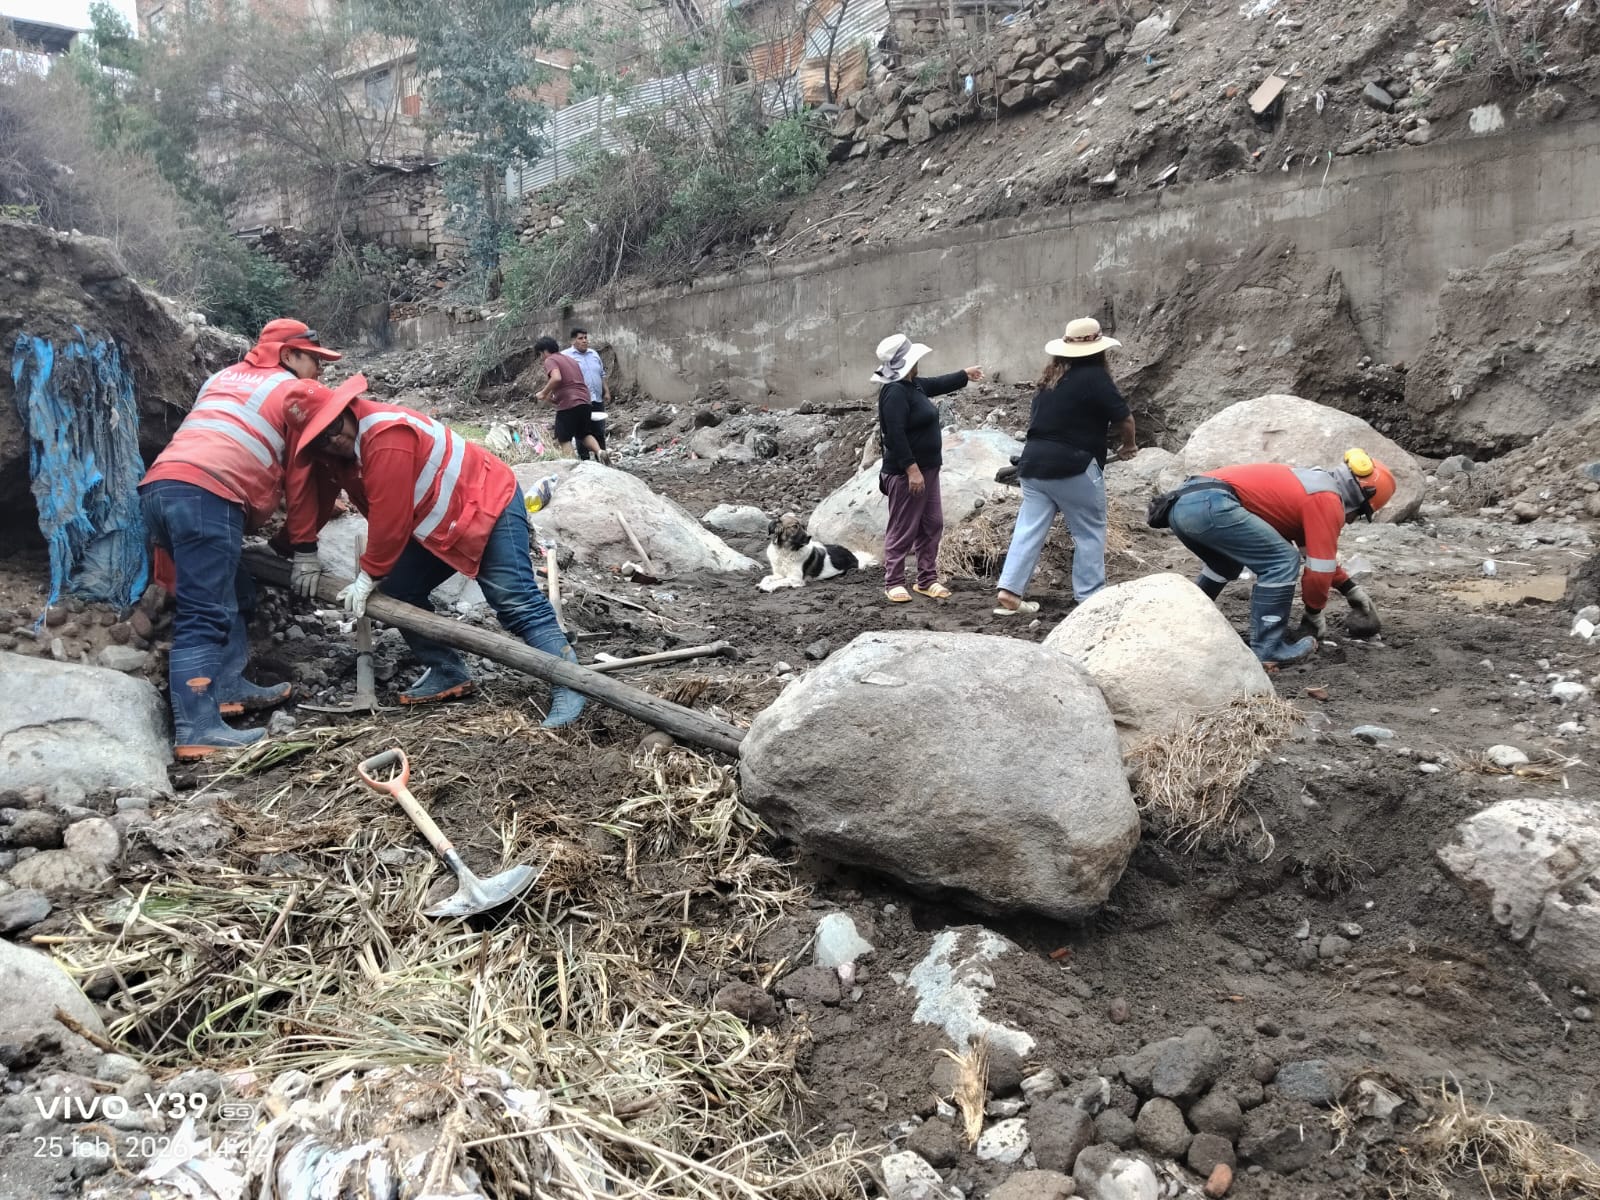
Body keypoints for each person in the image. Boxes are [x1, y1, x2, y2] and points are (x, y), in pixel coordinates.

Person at [283, 376, 586, 727]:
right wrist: (293, 549)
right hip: (442, 520)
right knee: (399, 590)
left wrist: (369, 574)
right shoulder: (338, 454)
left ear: (346, 410)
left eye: (334, 427)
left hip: (487, 502)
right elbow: (316, 498)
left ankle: (570, 683)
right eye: (321, 438)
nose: (333, 440)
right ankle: (447, 670)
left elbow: (390, 519)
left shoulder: (385, 437)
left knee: (515, 601)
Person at [138, 319, 341, 760]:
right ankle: (197, 729)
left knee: (234, 588)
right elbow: (300, 479)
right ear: (288, 355)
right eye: (314, 360)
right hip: (209, 494)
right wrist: (304, 547)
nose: (320, 371)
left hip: (161, 487)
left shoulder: (221, 378)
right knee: (203, 614)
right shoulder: (294, 392)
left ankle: (228, 688)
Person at [1160, 449, 1395, 665]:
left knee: (1224, 563)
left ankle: (1184, 621)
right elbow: (1319, 572)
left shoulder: (1312, 485)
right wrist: (1313, 614)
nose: (1352, 520)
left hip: (1183, 504)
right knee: (1282, 562)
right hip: (1212, 505)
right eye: (1361, 514)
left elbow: (1318, 558)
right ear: (1359, 498)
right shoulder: (1327, 499)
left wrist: (1350, 589)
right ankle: (1268, 649)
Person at [994, 318, 1136, 616]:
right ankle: (1089, 596)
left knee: (1029, 528)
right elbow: (1124, 419)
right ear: (1098, 349)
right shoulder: (1096, 376)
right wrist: (1129, 446)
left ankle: (1009, 590)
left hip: (1033, 464)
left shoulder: (1049, 380)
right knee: (1089, 531)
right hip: (1074, 465)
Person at [873, 333, 983, 603]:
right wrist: (911, 469)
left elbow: (937, 383)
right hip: (906, 473)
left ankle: (926, 579)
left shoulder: (913, 384)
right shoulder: (894, 392)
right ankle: (894, 581)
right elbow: (894, 435)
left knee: (932, 523)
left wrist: (964, 375)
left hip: (929, 469)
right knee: (903, 527)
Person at [536, 335, 606, 464]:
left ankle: (573, 464)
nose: (541, 358)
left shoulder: (550, 360)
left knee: (563, 438)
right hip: (585, 399)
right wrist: (550, 397)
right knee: (583, 433)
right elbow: (570, 382)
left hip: (569, 403)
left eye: (540, 354)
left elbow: (556, 378)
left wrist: (543, 393)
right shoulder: (570, 359)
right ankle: (600, 452)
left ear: (544, 351)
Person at [562, 328, 612, 454]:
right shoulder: (565, 356)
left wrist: (606, 391)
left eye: (585, 338)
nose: (584, 341)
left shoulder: (593, 354)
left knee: (599, 430)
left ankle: (602, 457)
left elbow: (601, 374)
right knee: (582, 432)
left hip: (597, 399)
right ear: (573, 341)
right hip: (580, 401)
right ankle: (585, 460)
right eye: (580, 338)